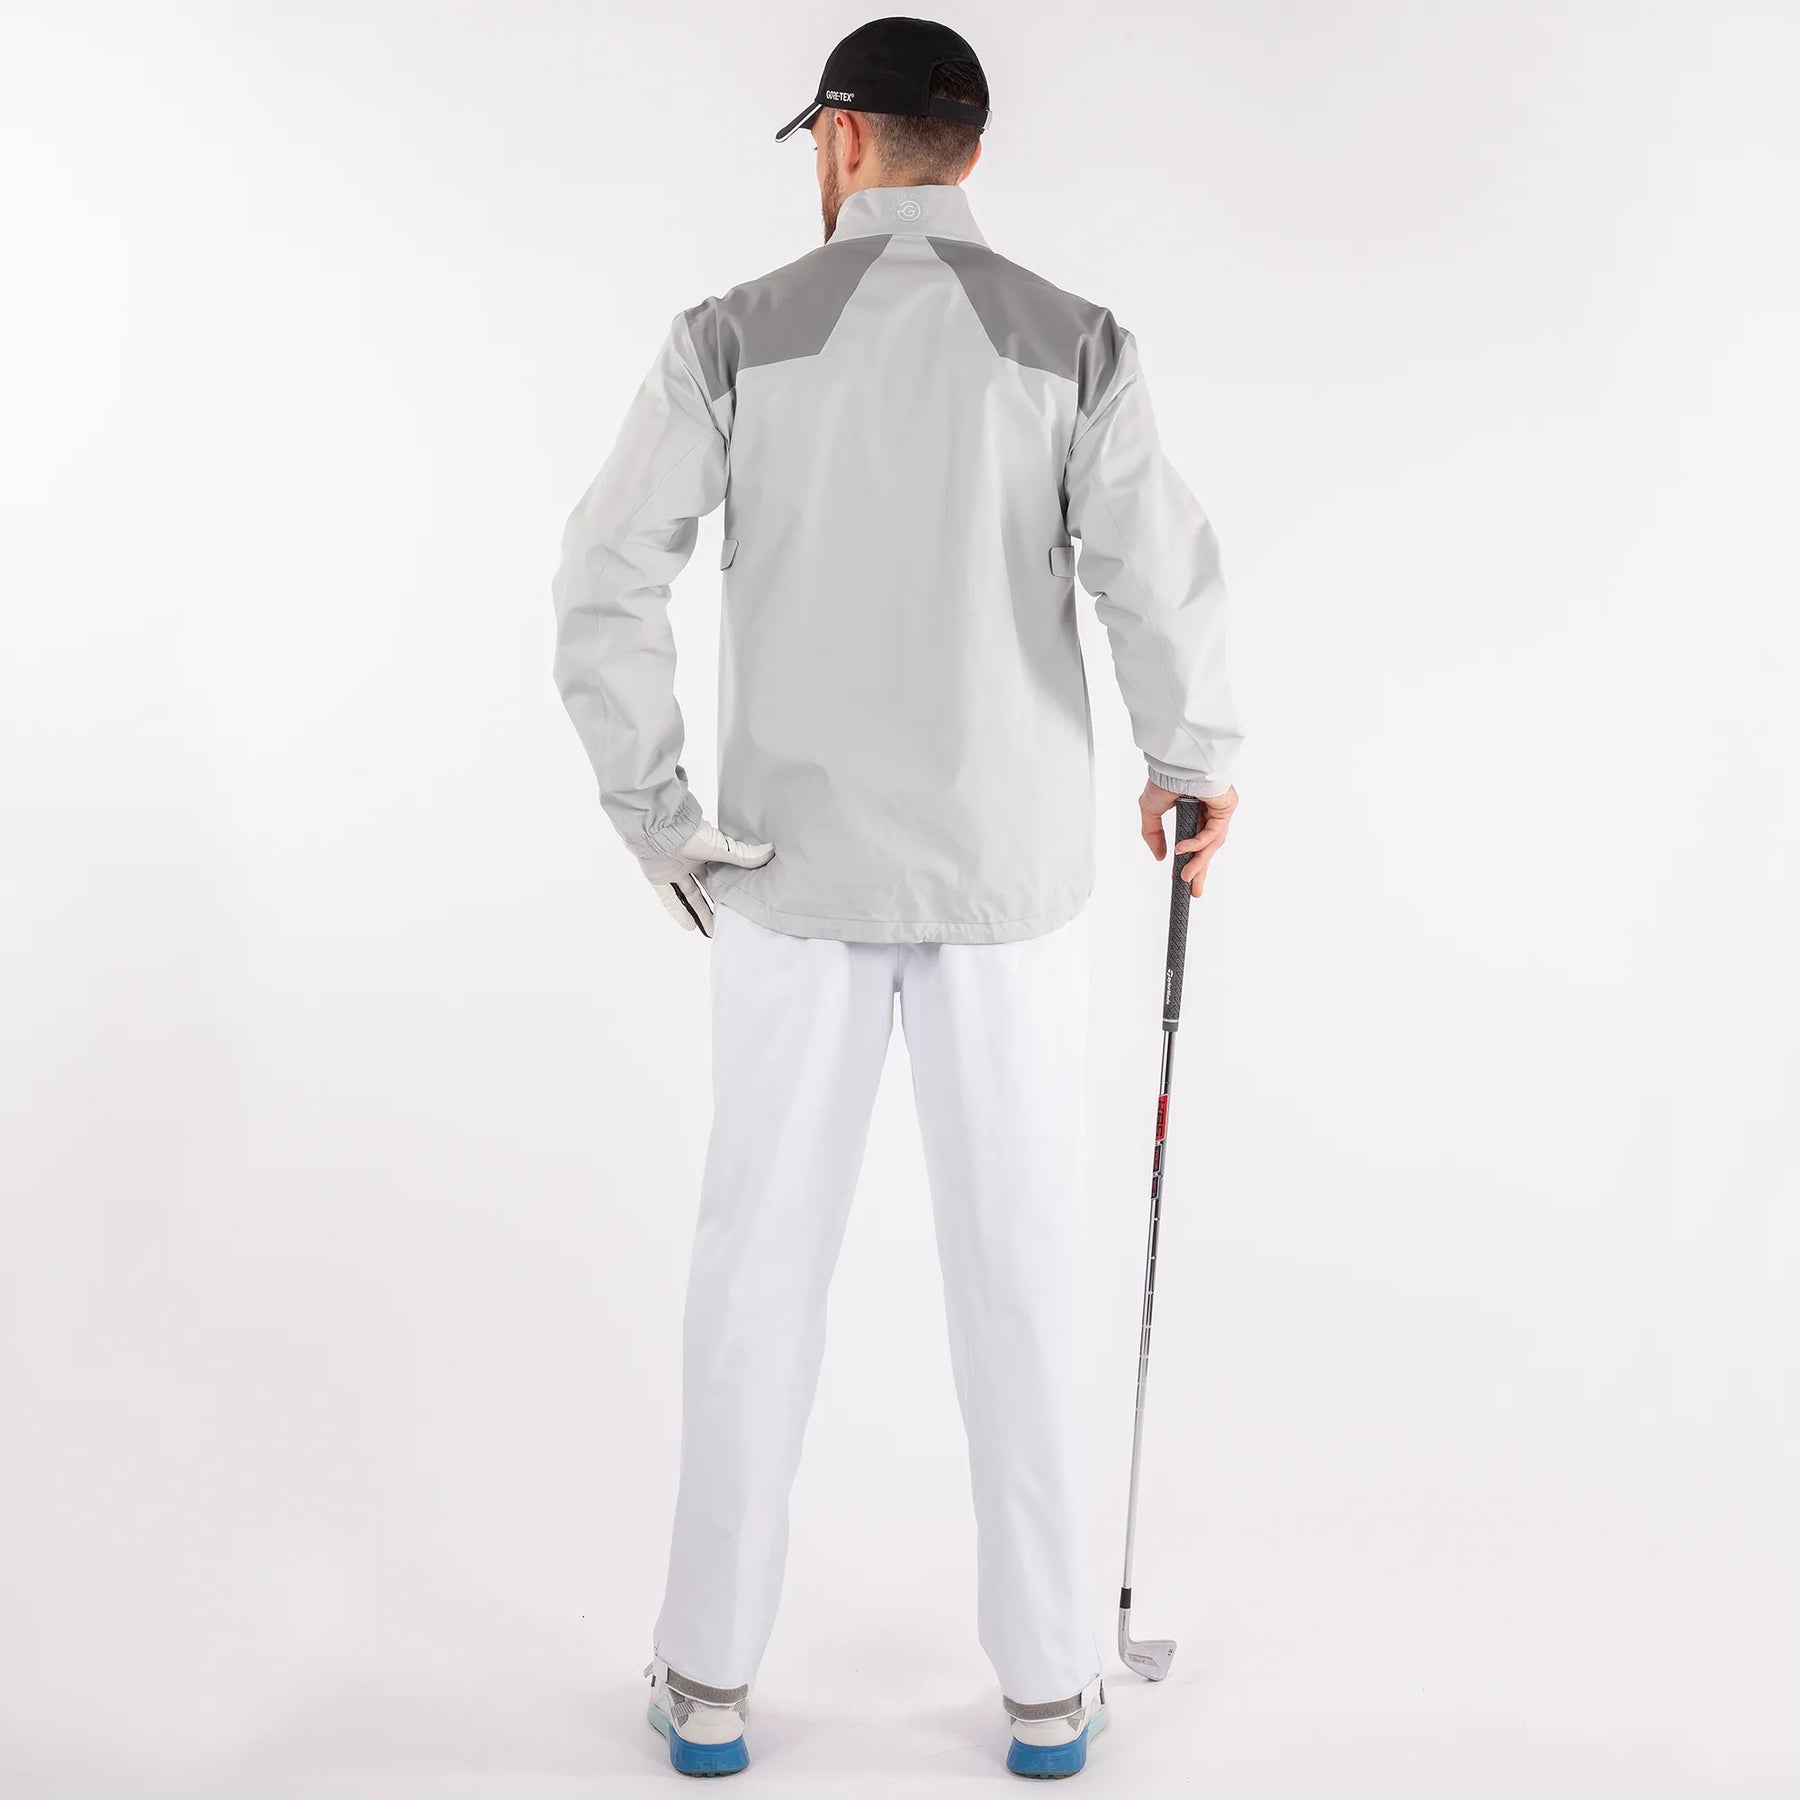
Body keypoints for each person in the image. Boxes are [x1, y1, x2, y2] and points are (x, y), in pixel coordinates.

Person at [551, 16, 1242, 1780]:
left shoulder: (730, 335)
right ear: (973, 152)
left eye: (817, 138)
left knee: (755, 1277)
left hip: (788, 884)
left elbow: (605, 579)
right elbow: (1158, 583)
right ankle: (1049, 1688)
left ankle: (708, 1681)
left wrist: (659, 818)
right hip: (1009, 887)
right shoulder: (1077, 342)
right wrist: (1192, 763)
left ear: (843, 141)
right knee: (1021, 1273)